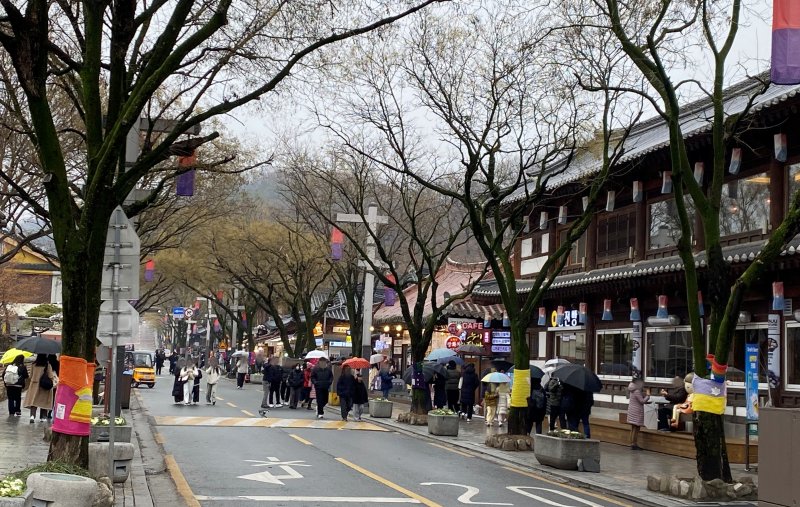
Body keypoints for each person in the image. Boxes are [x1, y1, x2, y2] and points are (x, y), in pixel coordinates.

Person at [24, 354, 56, 423]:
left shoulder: (33, 364)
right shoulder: (47, 365)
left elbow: (30, 376)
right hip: (44, 386)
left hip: (34, 385)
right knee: (43, 402)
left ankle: (32, 416)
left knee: (34, 402)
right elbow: (50, 376)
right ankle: (43, 417)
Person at [627, 378, 650, 450]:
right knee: (636, 428)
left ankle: (632, 443)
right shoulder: (636, 391)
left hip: (632, 410)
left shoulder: (632, 389)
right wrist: (648, 395)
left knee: (633, 427)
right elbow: (642, 401)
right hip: (637, 411)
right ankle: (634, 444)